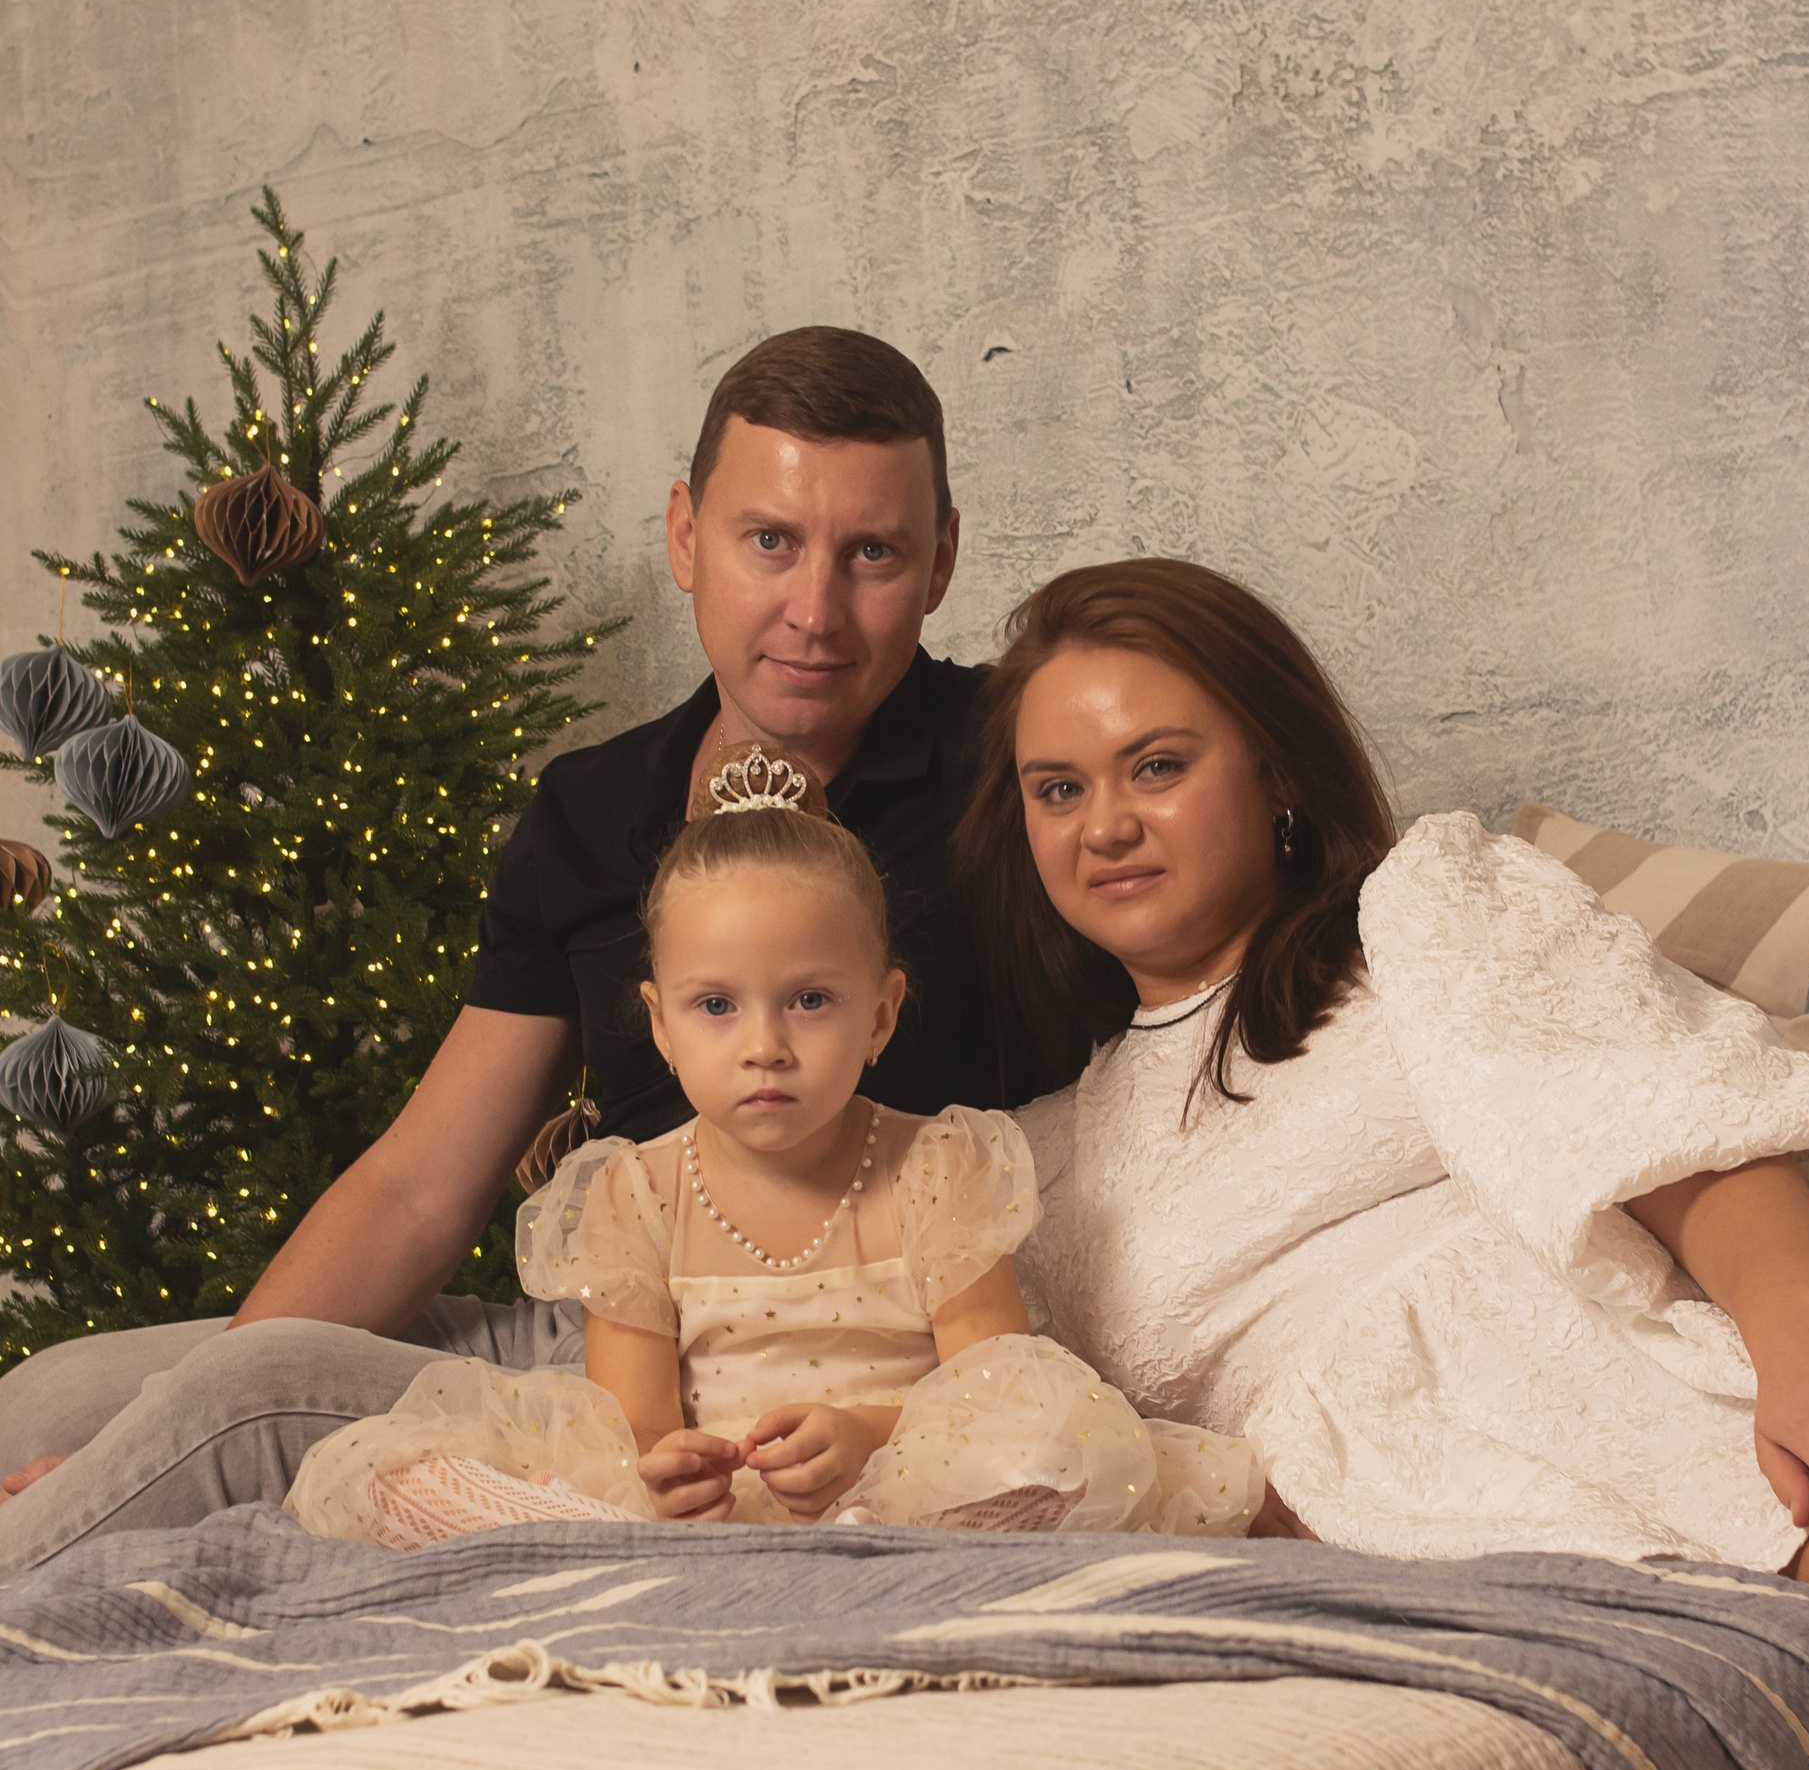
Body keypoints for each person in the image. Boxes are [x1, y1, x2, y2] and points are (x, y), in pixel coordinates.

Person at [0, 327, 1051, 1570]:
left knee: (232, 1405)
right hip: (601, 1329)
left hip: (808, 1365)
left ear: (941, 563)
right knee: (53, 1399)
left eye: (872, 553)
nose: (814, 611)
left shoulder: (1022, 767)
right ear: (685, 534)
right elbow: (419, 1185)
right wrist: (153, 1442)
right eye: (769, 541)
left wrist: (193, 1432)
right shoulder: (590, 810)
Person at [955, 555, 1809, 1615]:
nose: (1104, 827)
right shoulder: (1025, 1168)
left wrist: (1805, 1342)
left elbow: (1665, 1111)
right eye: (1059, 789)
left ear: (1275, 770)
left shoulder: (1422, 910)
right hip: (1421, 1497)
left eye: (1157, 767)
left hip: (1733, 1326)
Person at [285, 742, 1263, 1544]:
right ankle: (642, 1546)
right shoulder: (634, 1193)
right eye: (715, 1006)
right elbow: (633, 1424)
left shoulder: (939, 1168)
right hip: (698, 1519)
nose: (764, 1046)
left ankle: (875, 1544)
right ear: (660, 1025)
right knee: (400, 1475)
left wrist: (863, 1436)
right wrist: (668, 1474)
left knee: (1065, 1457)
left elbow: (1007, 1392)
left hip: (901, 1487)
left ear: (881, 1015)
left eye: (810, 1000)